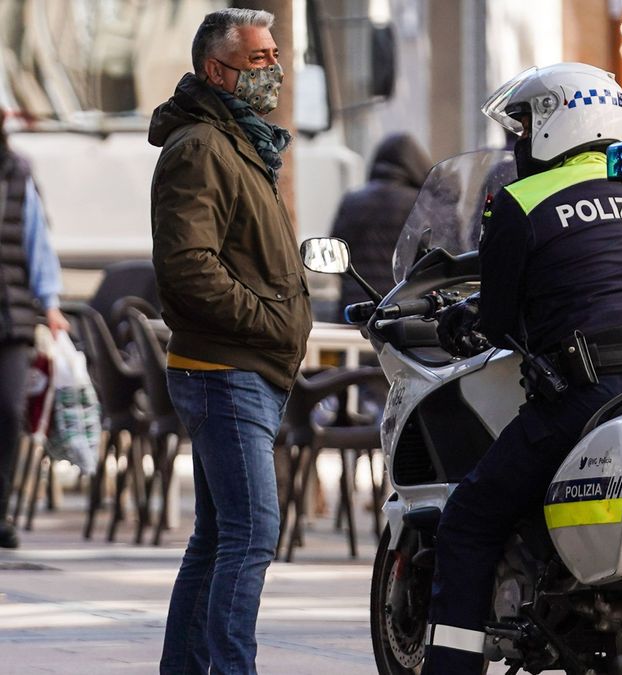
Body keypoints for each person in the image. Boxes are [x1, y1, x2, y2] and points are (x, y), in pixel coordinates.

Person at [423, 62, 622, 674]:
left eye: (525, 125)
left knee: (469, 518)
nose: (517, 142)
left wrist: (461, 322)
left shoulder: (519, 201)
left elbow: (496, 317)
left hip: (584, 393)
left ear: (556, 123)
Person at [148, 8, 312, 673]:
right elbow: (189, 267)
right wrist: (271, 321)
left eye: (275, 56)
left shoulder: (240, 141)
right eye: (257, 60)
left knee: (218, 537)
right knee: (250, 534)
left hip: (244, 368)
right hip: (224, 369)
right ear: (216, 71)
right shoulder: (202, 147)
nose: (273, 70)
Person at [0, 118, 69, 550]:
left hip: (10, 315)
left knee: (8, 411)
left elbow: (36, 240)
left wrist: (50, 304)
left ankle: (0, 510)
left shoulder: (16, 172)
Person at [330, 132, 431, 309]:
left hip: (357, 306)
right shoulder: (420, 204)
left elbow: (336, 250)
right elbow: (431, 256)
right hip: (402, 306)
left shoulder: (353, 200)